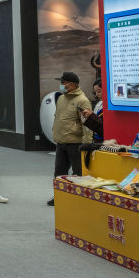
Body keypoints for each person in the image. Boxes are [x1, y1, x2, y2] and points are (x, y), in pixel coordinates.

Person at [49, 71, 92, 206]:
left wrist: (86, 144)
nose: (61, 85)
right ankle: (59, 197)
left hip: (75, 143)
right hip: (61, 142)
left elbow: (87, 125)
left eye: (63, 83)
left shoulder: (82, 100)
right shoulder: (62, 98)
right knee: (59, 172)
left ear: (72, 85)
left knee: (77, 173)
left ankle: (78, 200)